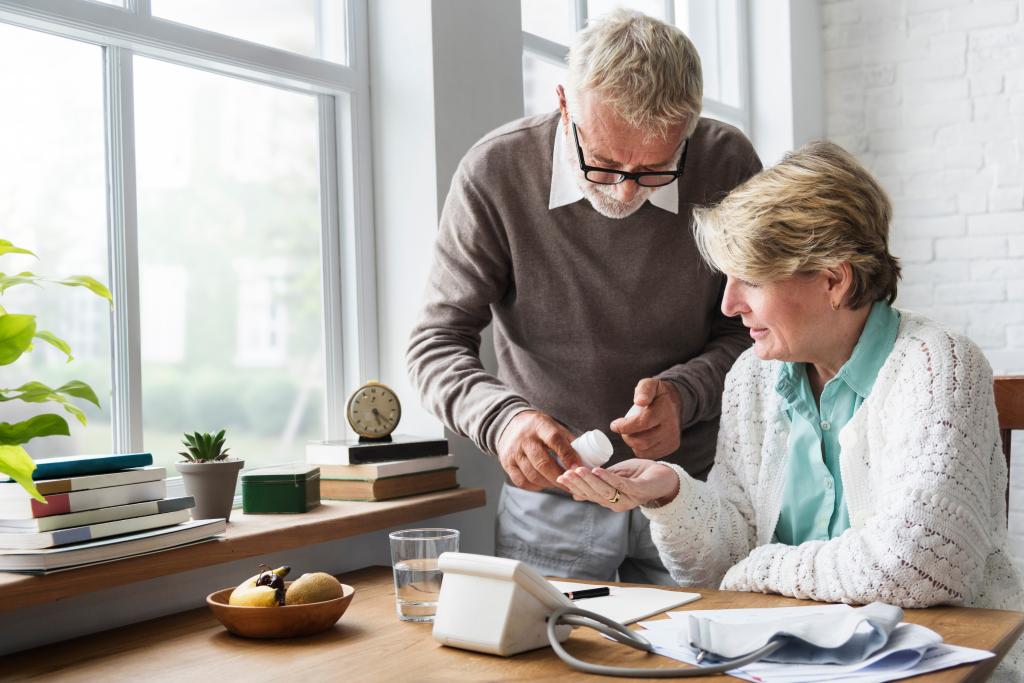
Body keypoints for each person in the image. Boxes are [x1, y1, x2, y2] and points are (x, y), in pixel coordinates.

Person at [558, 141, 1024, 637]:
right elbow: (724, 562)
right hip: (789, 657)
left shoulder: (938, 365)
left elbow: (923, 563)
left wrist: (760, 570)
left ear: (834, 281)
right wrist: (671, 493)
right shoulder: (751, 377)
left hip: (937, 658)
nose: (730, 304)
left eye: (752, 280)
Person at [407, 9, 761, 584]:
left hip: (695, 490)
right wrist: (503, 422)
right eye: (603, 163)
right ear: (565, 104)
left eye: (655, 169)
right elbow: (435, 344)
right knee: (546, 669)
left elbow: (751, 330)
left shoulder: (728, 164)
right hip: (551, 501)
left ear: (690, 128)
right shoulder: (495, 172)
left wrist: (684, 395)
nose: (624, 191)